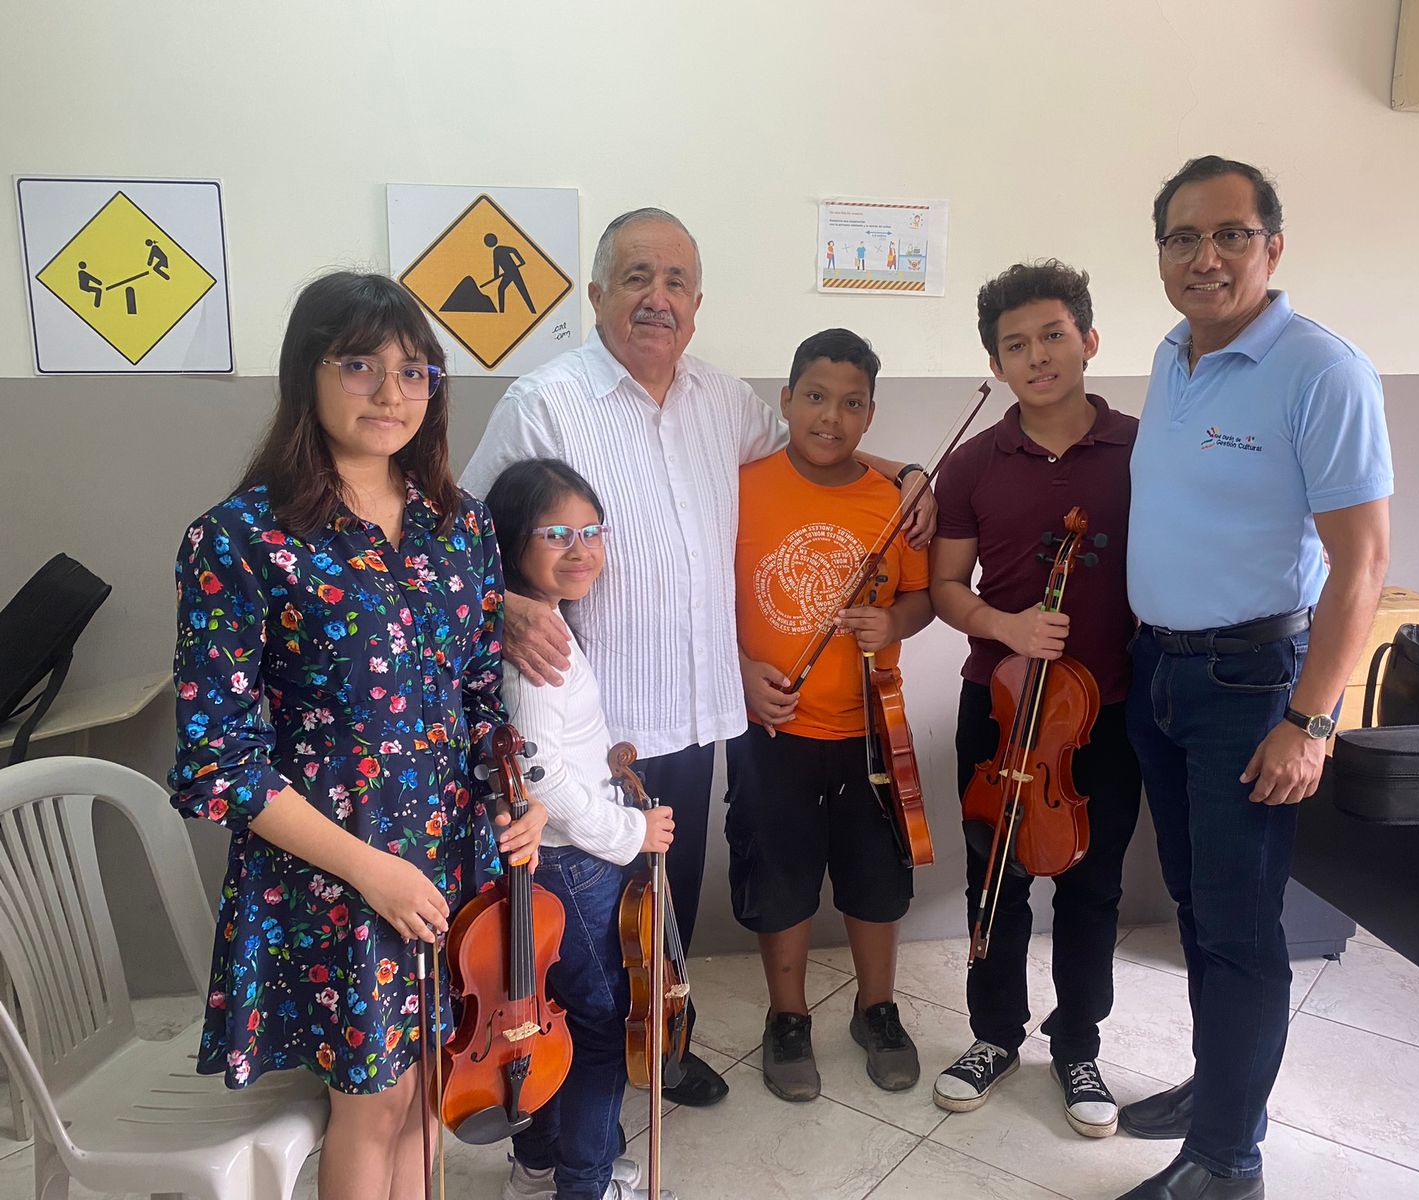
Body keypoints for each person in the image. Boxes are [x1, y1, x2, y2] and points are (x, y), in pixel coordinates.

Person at [459, 207, 933, 1110]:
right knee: (587, 918)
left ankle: (662, 1047)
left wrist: (903, 471)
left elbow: (814, 440)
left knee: (664, 902)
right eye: (637, 277)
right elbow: (461, 530)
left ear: (698, 302)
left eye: (676, 281)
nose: (658, 298)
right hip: (589, 724)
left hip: (693, 713)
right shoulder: (544, 401)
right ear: (596, 293)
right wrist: (507, 602)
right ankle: (572, 1087)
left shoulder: (725, 400)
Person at [169, 271, 544, 1200]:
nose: (390, 392)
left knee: (429, 1095)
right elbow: (217, 762)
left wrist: (515, 799)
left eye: (414, 371)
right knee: (373, 1107)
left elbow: (476, 695)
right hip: (338, 872)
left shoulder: (459, 526)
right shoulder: (241, 538)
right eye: (360, 365)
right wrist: (370, 872)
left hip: (449, 860)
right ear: (308, 372)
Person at [1115, 157, 1392, 1200]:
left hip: (1250, 685)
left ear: (1272, 246)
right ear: (1161, 255)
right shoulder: (1172, 354)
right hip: (1160, 671)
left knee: (1238, 928)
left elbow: (1363, 563)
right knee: (1197, 908)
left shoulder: (1323, 370)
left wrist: (1309, 722)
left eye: (1230, 234)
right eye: (1183, 237)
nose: (1206, 257)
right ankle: (1221, 1092)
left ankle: (1228, 1162)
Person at [927, 261, 1142, 1138]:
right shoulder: (973, 464)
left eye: (1054, 335)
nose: (1038, 356)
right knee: (995, 879)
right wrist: (1006, 626)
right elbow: (946, 587)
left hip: (1110, 710)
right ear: (996, 363)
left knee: (1094, 886)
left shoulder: (1143, 449)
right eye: (1016, 345)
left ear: (1089, 340)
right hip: (1002, 707)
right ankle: (993, 1036)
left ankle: (1079, 1044)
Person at [730, 328, 931, 1101]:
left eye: (852, 404)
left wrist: (895, 621)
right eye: (815, 397)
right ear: (785, 400)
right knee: (777, 876)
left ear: (870, 415)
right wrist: (740, 669)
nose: (831, 417)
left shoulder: (894, 501)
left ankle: (876, 1009)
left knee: (878, 878)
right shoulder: (741, 486)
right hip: (771, 730)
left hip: (872, 730)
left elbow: (919, 597)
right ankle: (787, 1018)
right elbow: (699, 599)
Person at [488, 459, 676, 1200]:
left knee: (547, 1016)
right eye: (557, 534)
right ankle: (584, 1183)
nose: (581, 549)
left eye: (592, 531)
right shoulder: (542, 651)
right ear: (512, 542)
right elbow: (540, 775)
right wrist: (630, 831)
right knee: (599, 1024)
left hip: (561, 860)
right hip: (574, 863)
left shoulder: (537, 624)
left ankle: (538, 1161)